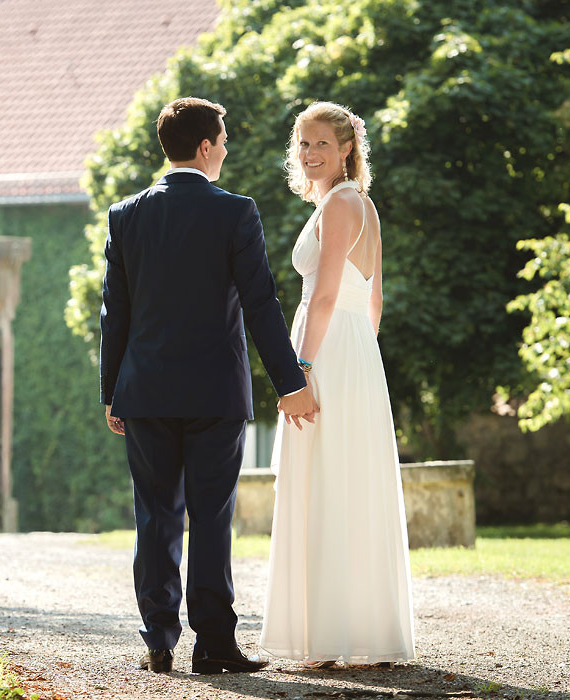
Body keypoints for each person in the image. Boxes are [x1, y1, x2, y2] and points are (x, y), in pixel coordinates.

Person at [99, 96, 319, 675]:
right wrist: (290, 381)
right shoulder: (235, 212)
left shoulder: (126, 215)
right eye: (222, 141)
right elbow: (261, 305)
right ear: (204, 147)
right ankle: (215, 644)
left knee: (156, 516)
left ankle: (158, 639)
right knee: (211, 518)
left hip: (144, 393)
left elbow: (113, 314)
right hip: (215, 395)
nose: (224, 151)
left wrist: (111, 391)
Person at [259, 101, 416, 667]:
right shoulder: (353, 204)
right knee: (342, 480)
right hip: (349, 351)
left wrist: (301, 369)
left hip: (325, 351)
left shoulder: (344, 204)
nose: (308, 153)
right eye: (302, 143)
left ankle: (336, 635)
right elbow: (372, 302)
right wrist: (358, 358)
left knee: (330, 481)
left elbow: (325, 296)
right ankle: (349, 631)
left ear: (347, 148)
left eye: (321, 143)